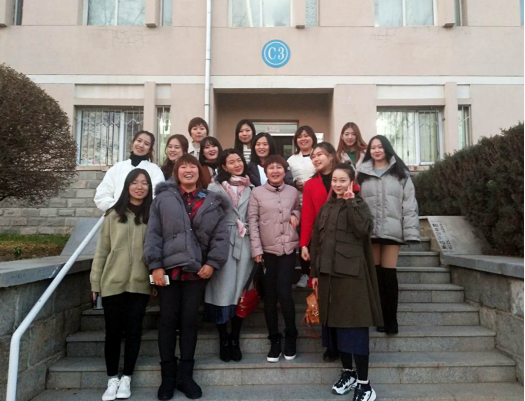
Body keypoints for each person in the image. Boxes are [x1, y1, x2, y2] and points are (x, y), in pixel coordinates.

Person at [144, 155, 230, 401]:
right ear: (176, 171)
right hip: (167, 271)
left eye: (193, 166)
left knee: (190, 321)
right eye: (183, 166)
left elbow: (221, 237)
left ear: (199, 171)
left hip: (196, 271)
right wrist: (154, 266)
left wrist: (212, 263)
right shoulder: (163, 199)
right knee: (167, 320)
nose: (188, 170)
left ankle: (185, 377)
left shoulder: (212, 201)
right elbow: (153, 234)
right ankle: (167, 378)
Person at [311, 164, 383, 401]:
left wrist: (351, 202)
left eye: (343, 180)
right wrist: (314, 273)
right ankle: (348, 373)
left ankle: (365, 384)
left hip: (352, 277)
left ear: (352, 182)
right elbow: (317, 241)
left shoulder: (359, 205)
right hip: (328, 276)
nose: (338, 184)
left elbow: (363, 230)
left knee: (355, 327)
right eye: (334, 180)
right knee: (336, 327)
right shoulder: (326, 208)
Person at [90, 169, 154, 401]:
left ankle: (127, 377)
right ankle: (112, 379)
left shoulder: (153, 215)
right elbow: (102, 250)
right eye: (135, 183)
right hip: (112, 283)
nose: (139, 187)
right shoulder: (112, 215)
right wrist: (95, 281)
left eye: (144, 183)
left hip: (140, 284)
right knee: (113, 333)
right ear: (127, 186)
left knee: (134, 332)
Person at [358, 135, 421, 335]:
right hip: (370, 231)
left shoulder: (400, 173)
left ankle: (391, 320)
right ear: (369, 151)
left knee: (389, 275)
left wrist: (410, 232)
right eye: (373, 147)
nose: (376, 150)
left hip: (392, 231)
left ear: (386, 149)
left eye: (380, 147)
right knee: (376, 276)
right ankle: (378, 318)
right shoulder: (361, 173)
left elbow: (409, 205)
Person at [248, 155, 301, 364]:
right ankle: (274, 339)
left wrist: (296, 213)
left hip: (288, 249)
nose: (275, 171)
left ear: (284, 170)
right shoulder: (257, 193)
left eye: (279, 167)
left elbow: (298, 209)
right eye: (271, 167)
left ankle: (291, 335)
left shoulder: (292, 191)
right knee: (269, 296)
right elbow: (252, 221)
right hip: (266, 251)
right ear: (266, 171)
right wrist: (256, 249)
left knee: (284, 293)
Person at [205, 149, 254, 363]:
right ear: (224, 166)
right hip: (222, 241)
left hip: (245, 242)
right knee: (221, 291)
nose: (237, 164)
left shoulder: (251, 187)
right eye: (231, 162)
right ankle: (223, 338)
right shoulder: (214, 187)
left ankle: (235, 337)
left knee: (240, 291)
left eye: (239, 160)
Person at [300, 143, 342, 363]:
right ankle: (330, 344)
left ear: (331, 156)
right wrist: (304, 244)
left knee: (341, 296)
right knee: (323, 295)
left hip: (343, 245)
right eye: (313, 156)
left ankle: (343, 341)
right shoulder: (310, 185)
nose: (315, 159)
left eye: (320, 155)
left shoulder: (344, 179)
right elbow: (307, 216)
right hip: (320, 245)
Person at [95, 130, 165, 212]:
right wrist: (118, 209)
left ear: (149, 149)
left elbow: (158, 196)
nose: (141, 145)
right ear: (132, 143)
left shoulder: (154, 170)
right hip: (117, 215)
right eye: (139, 141)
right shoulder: (117, 168)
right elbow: (102, 195)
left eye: (146, 144)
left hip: (144, 216)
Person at [287, 126, 318, 288]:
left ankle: (316, 273)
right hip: (299, 205)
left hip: (318, 203)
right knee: (303, 240)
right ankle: (305, 274)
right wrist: (295, 184)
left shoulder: (318, 155)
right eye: (300, 136)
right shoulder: (291, 160)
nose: (303, 139)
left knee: (317, 240)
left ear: (313, 138)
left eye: (306, 135)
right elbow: (287, 179)